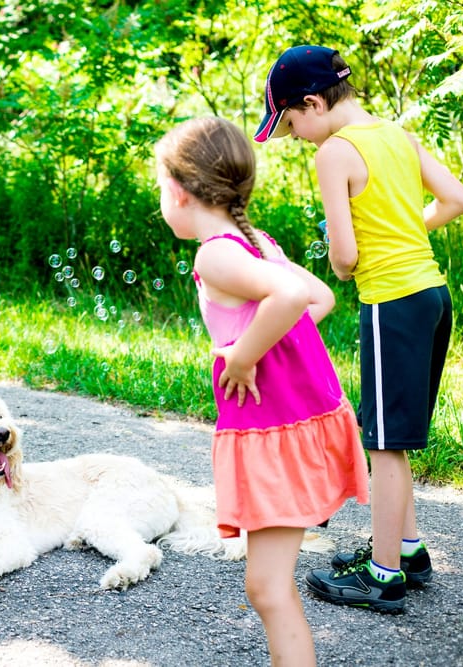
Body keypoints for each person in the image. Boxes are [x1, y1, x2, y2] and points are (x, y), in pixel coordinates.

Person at [254, 45, 463, 612]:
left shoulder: (334, 152)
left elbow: (346, 259)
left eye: (293, 123)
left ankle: (383, 576)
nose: (298, 135)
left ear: (312, 103)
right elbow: (457, 199)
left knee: (384, 443)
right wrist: (403, 233)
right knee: (394, 438)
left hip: (391, 302)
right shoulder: (396, 134)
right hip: (432, 296)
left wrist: (340, 253)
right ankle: (408, 549)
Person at [155, 116, 369, 666]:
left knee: (269, 589)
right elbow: (318, 296)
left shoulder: (216, 254)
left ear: (179, 191)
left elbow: (296, 299)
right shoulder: (257, 242)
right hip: (294, 423)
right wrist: (274, 344)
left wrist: (246, 353)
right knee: (266, 586)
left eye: (161, 187)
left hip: (276, 434)